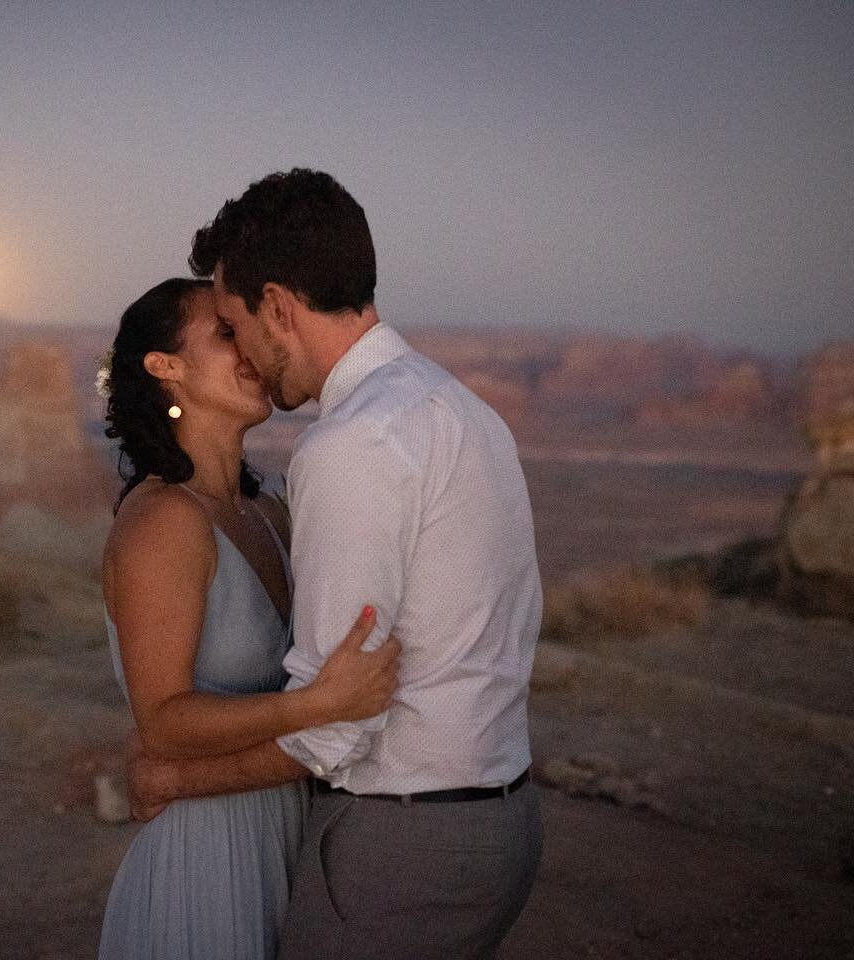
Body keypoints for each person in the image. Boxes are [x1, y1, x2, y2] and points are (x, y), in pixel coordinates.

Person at [128, 170, 544, 960]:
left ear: (278, 308)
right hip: (501, 818)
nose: (244, 350)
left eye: (235, 321)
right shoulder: (455, 406)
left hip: (404, 842)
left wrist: (175, 783)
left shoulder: (353, 443)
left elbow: (337, 724)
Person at [98, 276, 403, 960]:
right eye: (226, 333)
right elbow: (164, 723)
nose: (253, 349)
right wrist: (316, 707)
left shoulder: (270, 512)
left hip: (294, 837)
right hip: (206, 859)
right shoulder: (161, 523)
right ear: (164, 366)